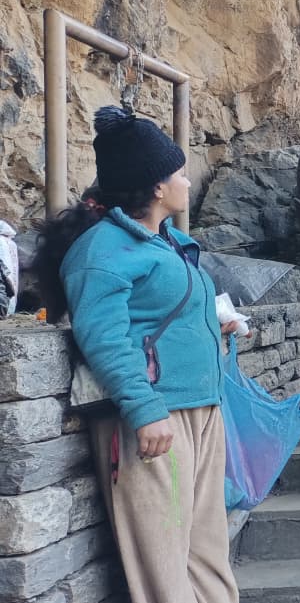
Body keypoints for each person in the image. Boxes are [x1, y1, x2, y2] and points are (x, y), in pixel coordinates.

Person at [34, 106, 239, 603]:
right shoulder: (102, 249)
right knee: (163, 569)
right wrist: (145, 410)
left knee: (207, 553)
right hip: (153, 417)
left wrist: (215, 324)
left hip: (200, 409)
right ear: (156, 187)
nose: (187, 181)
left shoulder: (168, 242)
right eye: (179, 174)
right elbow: (103, 336)